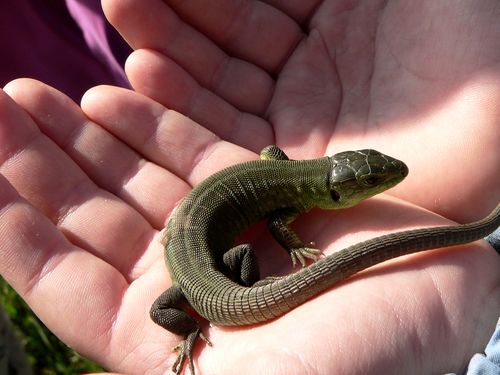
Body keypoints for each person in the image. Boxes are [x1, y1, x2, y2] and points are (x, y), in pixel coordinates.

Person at [0, 1, 499, 374]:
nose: (386, 180)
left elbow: (272, 159)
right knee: (228, 270)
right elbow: (277, 210)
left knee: (193, 290)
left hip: (199, 266)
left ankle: (200, 321)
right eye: (372, 180)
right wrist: (283, 255)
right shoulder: (293, 201)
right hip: (210, 282)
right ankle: (209, 316)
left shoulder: (289, 176)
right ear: (335, 188)